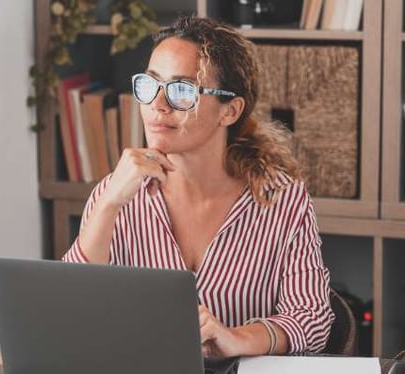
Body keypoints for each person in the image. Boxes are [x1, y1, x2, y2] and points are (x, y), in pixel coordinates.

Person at [62, 15, 334, 358]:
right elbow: (71, 313)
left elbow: (311, 321)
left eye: (181, 91)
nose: (157, 105)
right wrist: (107, 205)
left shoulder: (281, 199)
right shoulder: (116, 193)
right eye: (150, 85)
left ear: (230, 111)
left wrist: (235, 338)